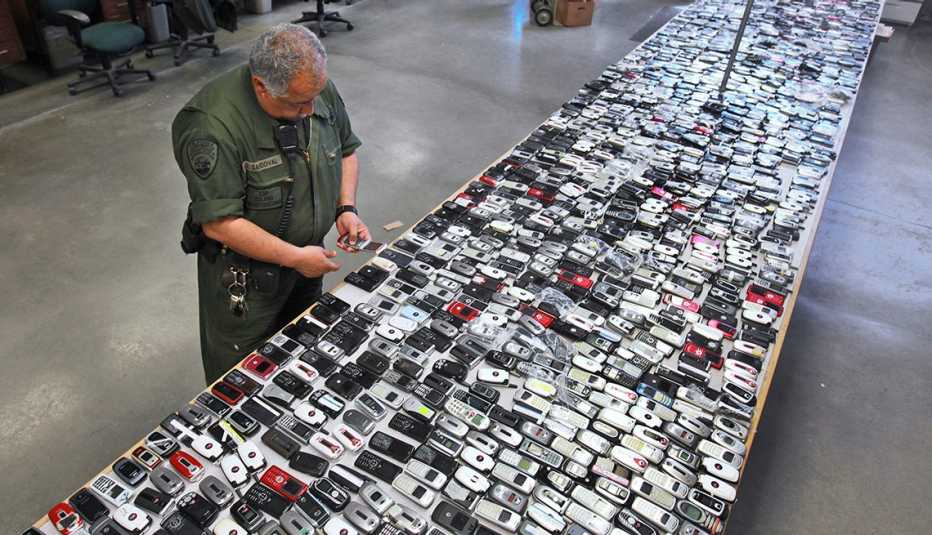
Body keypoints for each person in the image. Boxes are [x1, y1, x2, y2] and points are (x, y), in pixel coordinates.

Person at [172, 23, 369, 384]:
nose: (311, 109)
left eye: (315, 95)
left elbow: (346, 150)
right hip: (247, 283)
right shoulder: (211, 127)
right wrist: (295, 258)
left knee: (305, 357)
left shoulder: (313, 90)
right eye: (298, 103)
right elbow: (219, 222)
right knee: (242, 380)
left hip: (308, 262)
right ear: (262, 87)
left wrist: (346, 208)